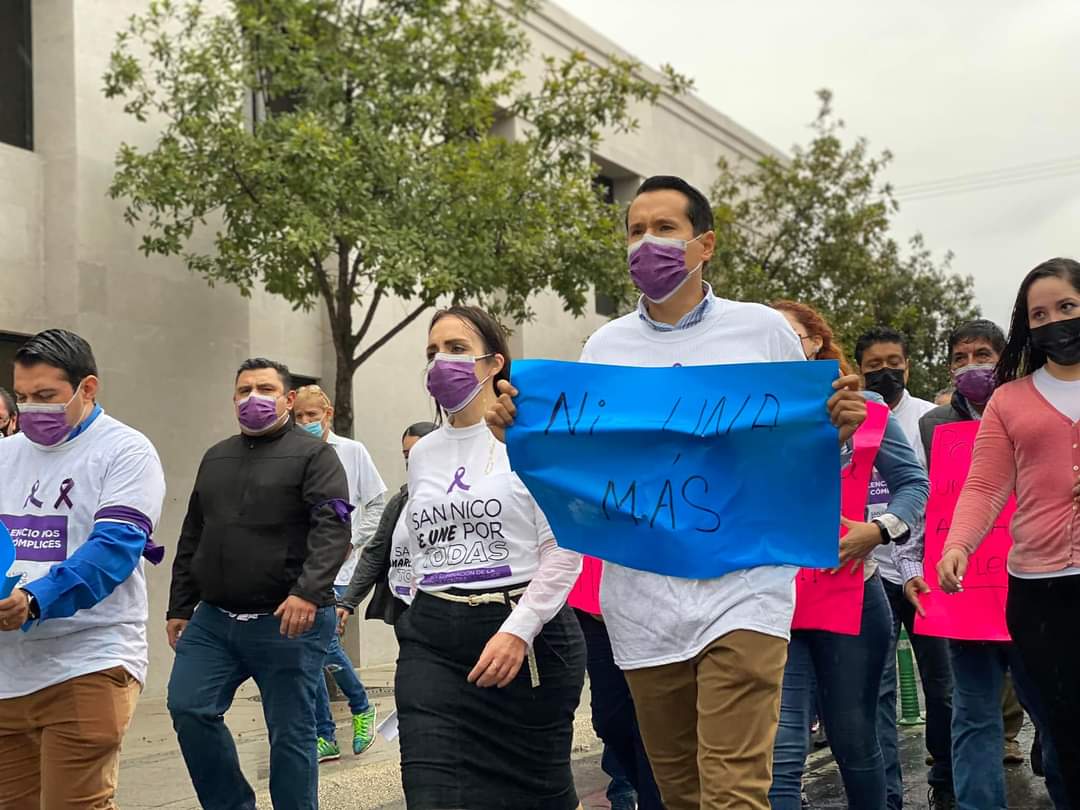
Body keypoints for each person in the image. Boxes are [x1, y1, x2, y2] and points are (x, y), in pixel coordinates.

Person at [486, 175, 869, 810]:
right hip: (642, 602)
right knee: (679, 792)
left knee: (734, 790)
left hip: (745, 589)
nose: (647, 244)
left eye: (664, 229)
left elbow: (794, 450)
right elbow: (583, 469)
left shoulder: (762, 333)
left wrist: (838, 433)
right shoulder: (605, 347)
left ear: (705, 243)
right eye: (636, 231)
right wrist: (518, 435)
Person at [396, 305, 586, 810]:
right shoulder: (423, 453)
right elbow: (418, 543)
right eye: (432, 352)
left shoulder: (533, 440)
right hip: (433, 644)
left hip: (527, 641)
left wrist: (517, 629)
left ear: (493, 363)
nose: (441, 363)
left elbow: (565, 550)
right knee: (431, 794)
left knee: (537, 797)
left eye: (456, 349)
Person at [900, 317, 1071, 809]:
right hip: (965, 595)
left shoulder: (1035, 409)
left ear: (1006, 358)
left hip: (1037, 587)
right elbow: (924, 500)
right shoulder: (933, 426)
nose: (970, 367)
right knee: (973, 715)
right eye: (959, 357)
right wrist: (913, 566)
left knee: (1054, 712)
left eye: (982, 355)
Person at [166, 358, 351, 810]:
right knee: (189, 707)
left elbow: (333, 529)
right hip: (214, 620)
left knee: (291, 734)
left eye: (265, 389)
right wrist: (179, 606)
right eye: (244, 389)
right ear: (233, 399)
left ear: (288, 398)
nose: (254, 398)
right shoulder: (216, 457)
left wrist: (308, 591)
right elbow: (194, 532)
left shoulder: (316, 456)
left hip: (289, 621)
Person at [768, 304, 930, 810]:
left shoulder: (867, 410)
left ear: (816, 342)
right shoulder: (748, 418)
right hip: (772, 602)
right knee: (782, 748)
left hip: (851, 599)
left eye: (790, 335)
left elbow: (913, 485)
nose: (778, 344)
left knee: (855, 740)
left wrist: (878, 531)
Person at [0, 328, 167, 808]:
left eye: (46, 396)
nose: (31, 408)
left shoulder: (126, 452)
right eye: (23, 396)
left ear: (87, 388)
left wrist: (35, 601)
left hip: (89, 658)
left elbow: (113, 549)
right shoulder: (6, 455)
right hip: (10, 670)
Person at [938, 258, 1080, 808]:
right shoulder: (1010, 399)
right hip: (1039, 592)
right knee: (1063, 737)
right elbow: (984, 486)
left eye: (1066, 307)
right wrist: (959, 546)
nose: (1053, 322)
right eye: (1038, 313)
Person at [852, 326, 955, 809]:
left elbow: (936, 492)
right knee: (878, 690)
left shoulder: (929, 422)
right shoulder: (851, 419)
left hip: (925, 573)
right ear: (859, 370)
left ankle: (947, 778)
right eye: (873, 365)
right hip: (869, 570)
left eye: (894, 362)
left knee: (942, 681)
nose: (885, 371)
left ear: (908, 365)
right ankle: (888, 795)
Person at [292, 384, 387, 763]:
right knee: (306, 648)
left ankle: (361, 706)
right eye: (298, 417)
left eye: (311, 416)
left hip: (341, 566)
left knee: (323, 642)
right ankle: (325, 735)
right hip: (303, 567)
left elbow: (377, 502)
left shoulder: (352, 452)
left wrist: (352, 540)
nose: (305, 423)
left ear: (327, 413)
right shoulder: (293, 455)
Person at [337, 421, 438, 628]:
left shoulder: (461, 497)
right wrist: (348, 602)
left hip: (444, 603)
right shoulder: (400, 501)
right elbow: (375, 553)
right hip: (403, 604)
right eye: (406, 456)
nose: (411, 462)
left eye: (417, 454)